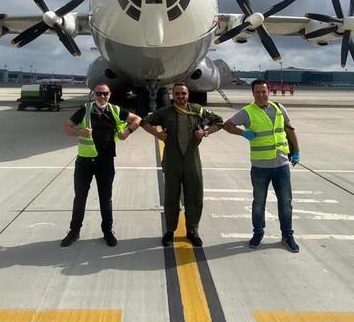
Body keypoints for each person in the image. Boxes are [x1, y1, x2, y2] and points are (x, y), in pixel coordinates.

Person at [141, 83, 223, 247]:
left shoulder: (197, 110)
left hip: (191, 159)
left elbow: (219, 121)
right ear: (173, 95)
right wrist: (157, 134)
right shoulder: (165, 112)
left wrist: (205, 132)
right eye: (177, 94)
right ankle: (170, 230)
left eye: (183, 94)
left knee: (194, 195)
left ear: (188, 95)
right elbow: (144, 122)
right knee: (171, 196)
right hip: (172, 160)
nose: (180, 97)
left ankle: (192, 230)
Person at [223, 79, 301, 252]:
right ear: (253, 93)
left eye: (264, 91)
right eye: (257, 92)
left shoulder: (279, 108)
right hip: (260, 167)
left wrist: (296, 151)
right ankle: (258, 233)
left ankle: (287, 236)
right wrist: (243, 133)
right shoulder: (247, 112)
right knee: (259, 203)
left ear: (268, 92)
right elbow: (227, 125)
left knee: (286, 202)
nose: (261, 95)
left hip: (281, 165)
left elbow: (289, 130)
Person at [61, 84, 141, 247]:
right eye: (99, 93)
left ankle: (107, 231)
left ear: (110, 94)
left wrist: (127, 132)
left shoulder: (115, 110)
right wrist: (80, 132)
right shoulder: (85, 109)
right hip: (85, 161)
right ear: (94, 95)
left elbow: (137, 119)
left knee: (106, 198)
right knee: (80, 197)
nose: (102, 97)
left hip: (106, 161)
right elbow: (66, 127)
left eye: (105, 94)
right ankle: (74, 231)